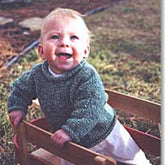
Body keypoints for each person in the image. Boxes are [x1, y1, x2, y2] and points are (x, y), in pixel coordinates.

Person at [7, 8, 151, 165]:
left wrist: (70, 130)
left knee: (133, 159)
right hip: (70, 140)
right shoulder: (37, 75)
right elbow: (20, 89)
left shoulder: (86, 75)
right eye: (55, 37)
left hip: (105, 132)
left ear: (85, 51)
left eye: (73, 37)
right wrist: (17, 106)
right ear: (41, 51)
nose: (64, 42)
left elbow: (90, 107)